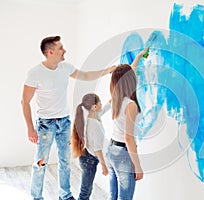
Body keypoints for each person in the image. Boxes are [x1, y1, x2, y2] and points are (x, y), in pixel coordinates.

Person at [21, 35, 116, 200]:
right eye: (60, 48)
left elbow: (85, 75)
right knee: (40, 163)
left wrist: (107, 71)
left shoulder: (65, 68)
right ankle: (36, 196)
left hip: (64, 123)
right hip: (45, 125)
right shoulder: (35, 73)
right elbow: (25, 101)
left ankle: (64, 195)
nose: (64, 50)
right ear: (50, 52)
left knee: (65, 162)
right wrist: (30, 128)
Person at [107, 49, 146, 200]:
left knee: (113, 196)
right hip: (123, 153)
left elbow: (128, 74)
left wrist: (138, 57)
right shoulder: (130, 105)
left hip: (111, 149)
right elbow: (128, 138)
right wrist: (138, 166)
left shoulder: (115, 98)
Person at [72, 93, 110, 200]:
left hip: (85, 157)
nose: (101, 104)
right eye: (100, 103)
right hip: (89, 160)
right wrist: (104, 165)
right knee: (86, 191)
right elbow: (98, 149)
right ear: (94, 107)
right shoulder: (95, 125)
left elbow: (104, 110)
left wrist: (113, 98)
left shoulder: (90, 118)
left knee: (86, 189)